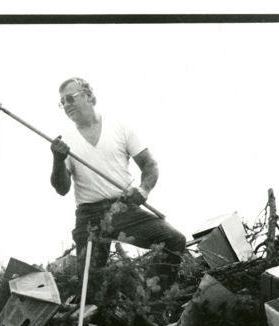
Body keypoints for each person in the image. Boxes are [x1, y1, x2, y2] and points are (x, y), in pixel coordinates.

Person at [49, 77, 186, 287]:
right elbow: (61, 189)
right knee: (90, 286)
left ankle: (149, 302)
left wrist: (144, 189)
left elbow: (150, 164)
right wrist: (58, 159)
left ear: (89, 96)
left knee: (174, 240)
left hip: (124, 209)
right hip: (89, 217)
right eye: (62, 102)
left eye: (70, 98)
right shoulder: (65, 141)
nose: (66, 105)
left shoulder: (120, 128)